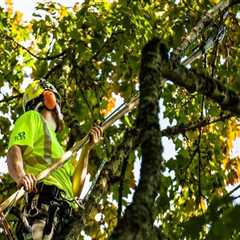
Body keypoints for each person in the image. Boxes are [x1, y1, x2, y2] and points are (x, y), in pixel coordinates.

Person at [7, 80, 102, 240]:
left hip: (65, 214)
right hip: (43, 204)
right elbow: (14, 150)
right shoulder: (32, 118)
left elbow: (75, 190)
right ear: (48, 98)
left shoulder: (60, 150)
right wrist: (21, 176)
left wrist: (86, 150)